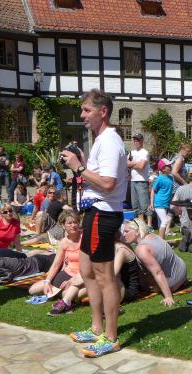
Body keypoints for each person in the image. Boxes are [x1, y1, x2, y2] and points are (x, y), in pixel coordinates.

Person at [61, 89, 128, 357]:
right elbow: (98, 177)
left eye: (87, 110)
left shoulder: (110, 141)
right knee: (86, 271)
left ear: (103, 111)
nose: (82, 115)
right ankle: (97, 327)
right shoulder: (101, 140)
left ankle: (110, 337)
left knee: (105, 276)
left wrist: (79, 167)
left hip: (104, 214)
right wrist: (80, 168)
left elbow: (109, 184)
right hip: (94, 212)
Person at [28, 210, 85, 316]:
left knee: (66, 294)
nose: (73, 225)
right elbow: (56, 264)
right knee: (33, 290)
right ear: (63, 225)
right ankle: (66, 295)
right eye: (69, 223)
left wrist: (73, 280)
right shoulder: (64, 242)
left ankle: (68, 298)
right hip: (67, 273)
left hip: (82, 275)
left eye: (75, 222)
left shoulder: (85, 238)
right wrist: (47, 281)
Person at [121, 218, 187, 307]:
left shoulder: (142, 249)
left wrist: (168, 296)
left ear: (137, 232)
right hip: (182, 273)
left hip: (172, 283)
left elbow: (158, 272)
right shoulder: (154, 236)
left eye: (126, 231)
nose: (124, 234)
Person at [127, 133, 151, 224]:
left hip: (142, 180)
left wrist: (132, 164)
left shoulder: (145, 152)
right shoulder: (132, 152)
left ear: (142, 141)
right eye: (135, 140)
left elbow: (141, 167)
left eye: (138, 140)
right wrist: (136, 163)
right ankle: (142, 224)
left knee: (145, 204)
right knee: (135, 205)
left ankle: (149, 224)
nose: (136, 142)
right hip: (133, 180)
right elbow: (126, 164)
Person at [151, 160, 175, 239]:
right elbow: (153, 190)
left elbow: (169, 191)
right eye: (168, 166)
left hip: (166, 203)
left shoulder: (171, 178)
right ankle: (162, 241)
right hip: (159, 203)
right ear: (163, 169)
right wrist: (151, 203)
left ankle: (161, 239)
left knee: (162, 222)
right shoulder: (159, 178)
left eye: (170, 165)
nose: (170, 167)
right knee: (164, 221)